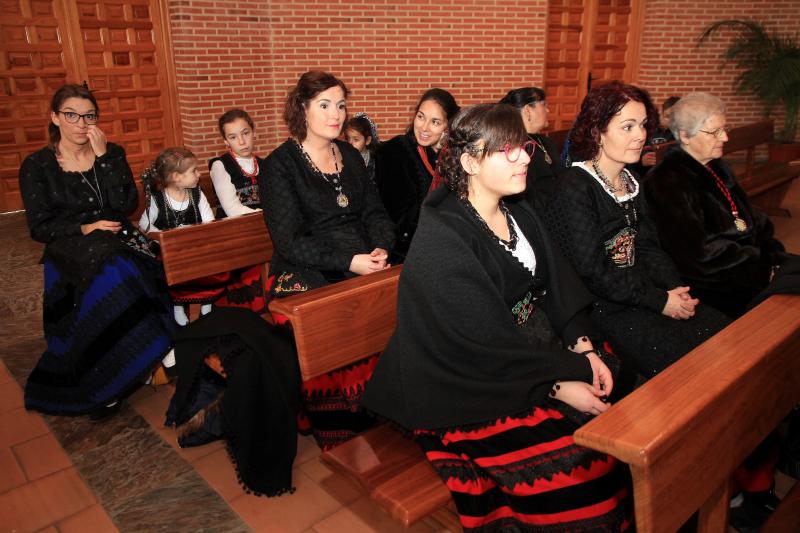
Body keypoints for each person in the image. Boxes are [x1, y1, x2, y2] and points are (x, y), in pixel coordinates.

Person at [363, 103, 637, 532]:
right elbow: (483, 346)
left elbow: (556, 287)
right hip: (464, 380)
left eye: (524, 147)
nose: (524, 157)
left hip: (525, 351)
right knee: (582, 472)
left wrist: (583, 347)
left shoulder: (518, 210)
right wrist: (561, 382)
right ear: (470, 163)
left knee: (628, 406)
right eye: (507, 150)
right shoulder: (443, 236)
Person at [544, 82, 730, 377]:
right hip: (600, 305)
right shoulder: (574, 187)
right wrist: (659, 300)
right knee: (694, 365)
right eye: (627, 127)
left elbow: (648, 246)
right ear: (598, 131)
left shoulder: (631, 180)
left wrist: (673, 290)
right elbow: (593, 272)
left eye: (642, 125)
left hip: (639, 289)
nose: (641, 135)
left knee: (724, 334)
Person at [18, 83, 174, 419]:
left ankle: (138, 355)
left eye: (89, 116)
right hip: (71, 245)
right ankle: (109, 376)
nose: (81, 124)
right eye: (71, 115)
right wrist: (85, 228)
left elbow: (126, 205)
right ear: (55, 117)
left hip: (117, 235)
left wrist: (103, 160)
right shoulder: (38, 165)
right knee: (112, 273)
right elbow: (40, 227)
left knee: (123, 262)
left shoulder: (111, 153)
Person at [261, 70, 395, 448]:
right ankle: (344, 424)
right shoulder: (279, 165)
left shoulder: (349, 154)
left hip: (361, 259)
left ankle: (388, 408)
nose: (335, 114)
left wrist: (381, 247)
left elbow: (376, 213)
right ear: (301, 109)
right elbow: (289, 242)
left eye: (340, 105)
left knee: (404, 295)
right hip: (303, 269)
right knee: (338, 318)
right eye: (324, 105)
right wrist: (349, 261)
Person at [644, 92, 798, 319]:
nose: (725, 137)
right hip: (716, 285)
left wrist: (770, 253)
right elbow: (696, 257)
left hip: (749, 263)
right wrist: (762, 269)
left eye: (724, 129)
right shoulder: (666, 181)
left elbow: (747, 217)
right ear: (685, 135)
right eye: (714, 132)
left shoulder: (716, 166)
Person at [375, 88, 459, 262]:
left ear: (447, 126)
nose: (424, 127)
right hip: (401, 251)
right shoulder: (394, 152)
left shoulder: (452, 157)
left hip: (441, 245)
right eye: (421, 117)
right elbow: (389, 214)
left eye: (435, 122)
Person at [139, 147, 218, 326]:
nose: (199, 174)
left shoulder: (197, 194)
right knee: (170, 266)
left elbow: (209, 221)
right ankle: (178, 305)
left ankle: (206, 302)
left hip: (195, 246)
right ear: (176, 177)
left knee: (208, 260)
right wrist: (165, 237)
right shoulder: (158, 199)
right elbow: (145, 225)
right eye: (194, 171)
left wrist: (197, 234)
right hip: (172, 252)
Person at [499, 86, 565, 209]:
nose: (548, 110)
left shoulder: (545, 141)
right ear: (528, 110)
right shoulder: (515, 147)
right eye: (543, 105)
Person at [209, 108, 264, 218]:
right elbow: (232, 209)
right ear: (226, 141)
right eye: (233, 137)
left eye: (245, 133)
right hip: (235, 225)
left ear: (254, 132)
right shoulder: (220, 165)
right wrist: (266, 215)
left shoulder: (264, 164)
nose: (242, 142)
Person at [344, 112, 379, 183]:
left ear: (367, 140)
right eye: (347, 138)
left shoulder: (376, 161)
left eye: (356, 139)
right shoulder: (343, 159)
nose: (350, 143)